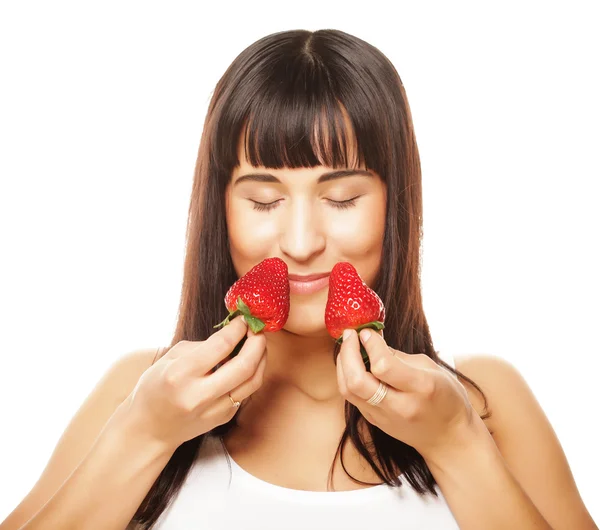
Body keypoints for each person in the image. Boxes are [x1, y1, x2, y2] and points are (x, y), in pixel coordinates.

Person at [2, 29, 596, 530]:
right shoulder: (140, 393)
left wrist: (455, 442)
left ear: (395, 206)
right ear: (220, 211)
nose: (302, 242)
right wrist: (142, 434)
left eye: (341, 198)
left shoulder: (484, 400)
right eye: (263, 201)